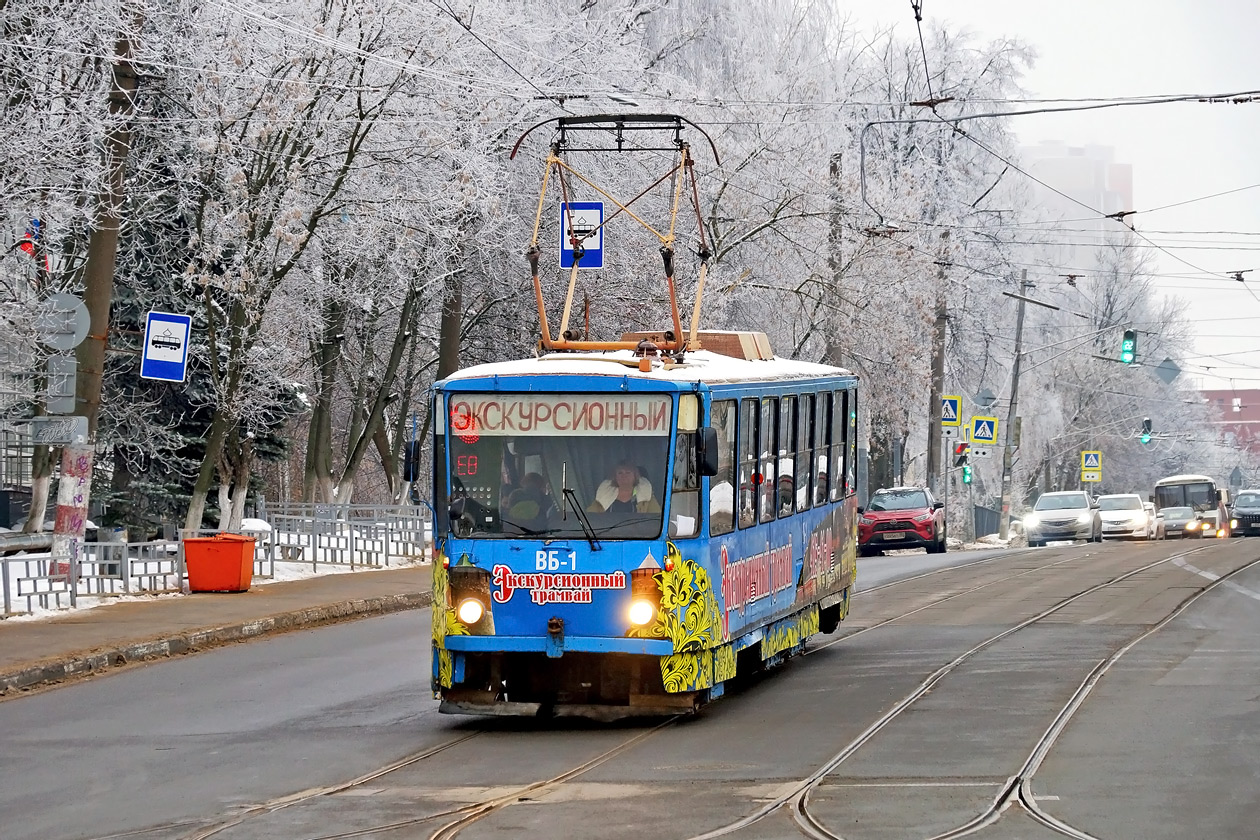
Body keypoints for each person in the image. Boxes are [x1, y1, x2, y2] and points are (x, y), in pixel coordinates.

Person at [589, 460, 661, 514]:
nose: (624, 476)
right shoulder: (603, 496)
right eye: (620, 473)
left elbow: (656, 519)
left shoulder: (646, 497)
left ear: (635, 476)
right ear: (615, 477)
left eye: (628, 472)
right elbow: (589, 518)